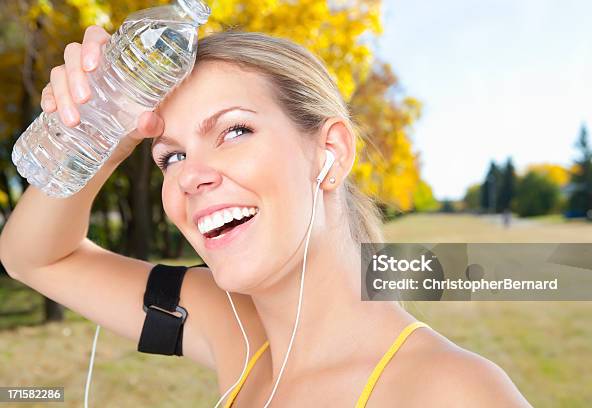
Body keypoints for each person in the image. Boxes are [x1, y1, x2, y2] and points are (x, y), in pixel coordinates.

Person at [0, 26, 531, 407]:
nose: (189, 177)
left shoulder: (452, 392)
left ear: (331, 153)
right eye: (171, 156)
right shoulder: (227, 324)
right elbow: (34, 257)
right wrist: (100, 131)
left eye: (233, 131)